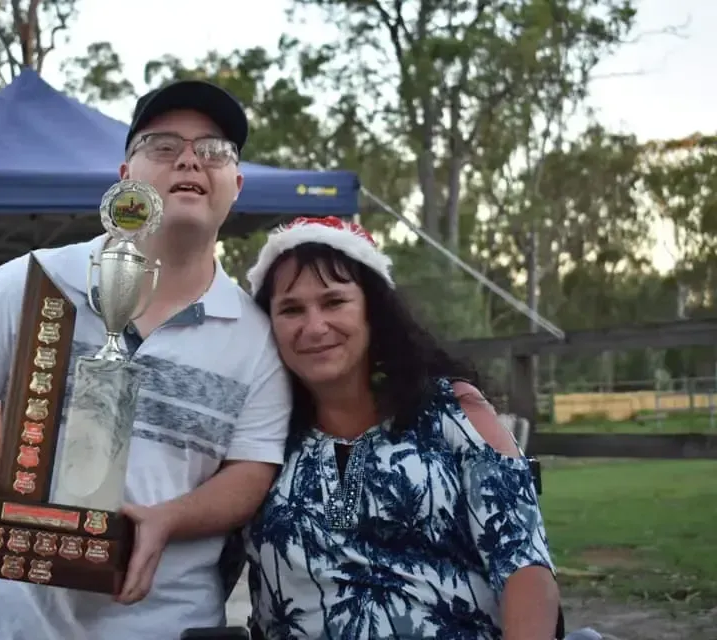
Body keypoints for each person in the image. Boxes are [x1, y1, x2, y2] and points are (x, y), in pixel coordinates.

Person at [0, 80, 292, 640]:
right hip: (14, 622)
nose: (190, 159)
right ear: (125, 178)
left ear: (235, 185)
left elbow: (252, 469)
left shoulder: (257, 336)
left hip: (169, 623)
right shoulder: (32, 281)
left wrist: (169, 519)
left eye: (213, 150)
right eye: (164, 146)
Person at [240, 216, 567, 639]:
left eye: (334, 302)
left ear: (373, 312)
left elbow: (524, 564)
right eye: (291, 309)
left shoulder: (453, 409)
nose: (314, 326)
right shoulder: (260, 436)